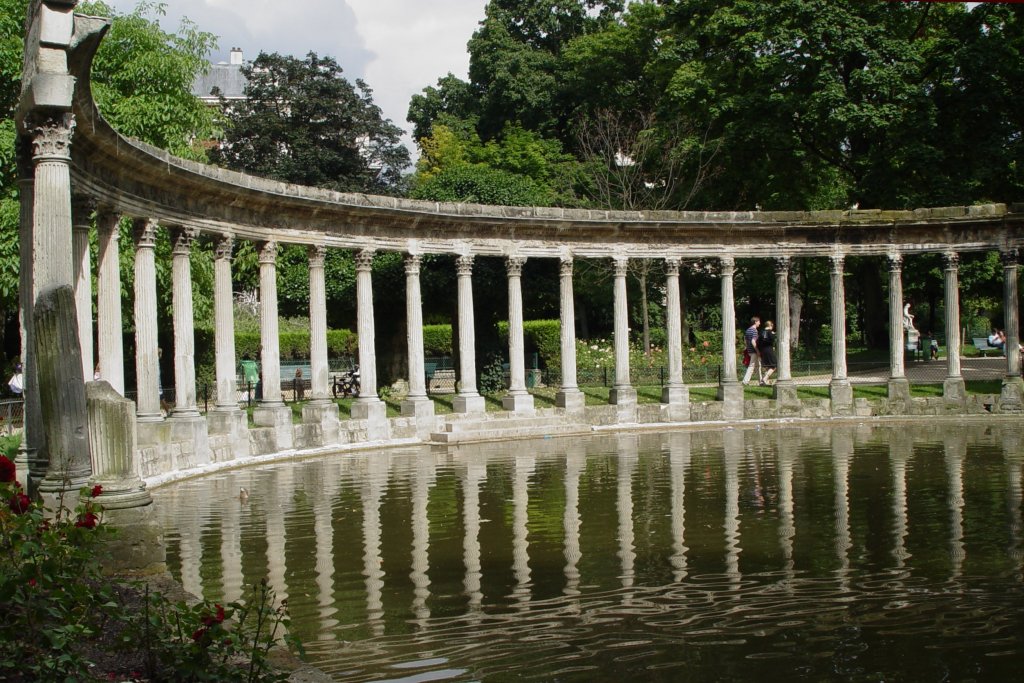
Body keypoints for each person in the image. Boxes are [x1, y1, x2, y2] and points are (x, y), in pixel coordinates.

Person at [742, 316, 762, 386]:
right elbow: (753, 341)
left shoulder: (748, 330)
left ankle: (761, 381)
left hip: (750, 351)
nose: (759, 323)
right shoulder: (754, 330)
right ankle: (745, 381)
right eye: (759, 321)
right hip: (754, 351)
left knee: (757, 366)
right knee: (752, 366)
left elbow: (746, 340)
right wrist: (757, 351)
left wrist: (747, 348)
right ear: (755, 322)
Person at [759, 321, 778, 385]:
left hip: (763, 350)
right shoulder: (770, 332)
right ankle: (764, 379)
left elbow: (759, 341)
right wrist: (773, 334)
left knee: (768, 366)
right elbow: (773, 339)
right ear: (771, 325)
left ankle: (764, 381)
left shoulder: (761, 332)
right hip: (769, 350)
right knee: (774, 365)